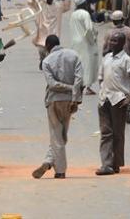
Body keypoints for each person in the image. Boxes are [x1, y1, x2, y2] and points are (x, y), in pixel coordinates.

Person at [32, 35, 84, 180]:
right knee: (62, 136)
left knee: (57, 136)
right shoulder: (74, 55)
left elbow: (53, 84)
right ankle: (48, 161)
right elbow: (79, 79)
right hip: (69, 101)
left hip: (54, 100)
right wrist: (75, 95)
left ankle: (59, 170)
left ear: (48, 46)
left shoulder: (47, 61)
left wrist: (69, 88)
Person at [95, 32, 130, 176]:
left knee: (117, 134)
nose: (111, 43)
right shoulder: (106, 58)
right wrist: (102, 91)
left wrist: (129, 99)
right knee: (105, 133)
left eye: (115, 41)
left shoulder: (126, 60)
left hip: (119, 101)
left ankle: (116, 163)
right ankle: (106, 164)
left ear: (122, 44)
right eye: (111, 40)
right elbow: (100, 77)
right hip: (105, 100)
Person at [29, 0, 70, 68]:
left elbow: (67, 6)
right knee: (41, 50)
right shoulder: (41, 5)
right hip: (43, 32)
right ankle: (43, 59)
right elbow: (30, 2)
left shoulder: (58, 5)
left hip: (54, 33)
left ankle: (49, 63)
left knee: (53, 50)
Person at [70, 0, 100, 93]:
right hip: (85, 42)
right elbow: (89, 29)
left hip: (75, 42)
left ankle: (78, 84)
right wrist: (92, 40)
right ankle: (87, 86)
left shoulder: (73, 14)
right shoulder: (85, 14)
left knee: (78, 64)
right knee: (88, 64)